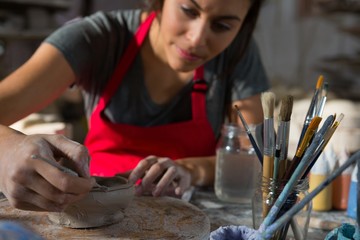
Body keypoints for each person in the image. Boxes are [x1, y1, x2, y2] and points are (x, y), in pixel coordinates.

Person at [0, 0, 269, 212]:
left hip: (187, 215)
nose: (197, 38)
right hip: (96, 211)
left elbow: (251, 160)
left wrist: (190, 169)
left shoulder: (237, 53)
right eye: (188, 10)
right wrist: (7, 148)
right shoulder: (97, 39)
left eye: (222, 26)